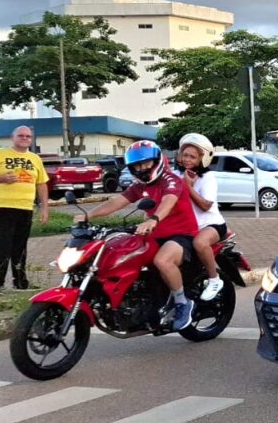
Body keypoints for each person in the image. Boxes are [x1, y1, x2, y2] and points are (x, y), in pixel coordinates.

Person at [87, 140, 199, 330]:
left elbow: (168, 202)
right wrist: (87, 215)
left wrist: (153, 219)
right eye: (137, 165)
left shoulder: (171, 180)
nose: (142, 168)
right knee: (125, 254)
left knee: (162, 261)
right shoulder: (139, 186)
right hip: (154, 234)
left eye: (146, 163)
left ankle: (182, 303)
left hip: (181, 234)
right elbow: (117, 202)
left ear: (156, 161)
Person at [0, 125, 49, 294]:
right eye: (21, 136)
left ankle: (20, 282)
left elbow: (41, 183)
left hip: (25, 206)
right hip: (3, 206)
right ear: (13, 137)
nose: (25, 138)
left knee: (20, 246)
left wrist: (44, 208)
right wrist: (2, 178)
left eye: (28, 136)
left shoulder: (35, 159)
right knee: (2, 245)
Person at [175, 133, 226, 302]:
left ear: (201, 159)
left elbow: (205, 205)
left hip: (211, 225)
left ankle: (214, 279)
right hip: (186, 227)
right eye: (185, 155)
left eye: (192, 156)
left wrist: (188, 187)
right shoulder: (176, 174)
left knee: (200, 243)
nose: (187, 159)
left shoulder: (207, 177)